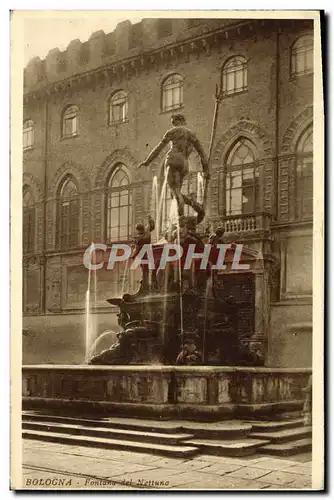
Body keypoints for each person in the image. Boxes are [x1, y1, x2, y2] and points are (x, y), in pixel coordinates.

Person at [139, 114, 210, 216]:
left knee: (175, 193)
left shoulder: (172, 131)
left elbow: (159, 148)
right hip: (185, 164)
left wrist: (147, 161)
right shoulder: (191, 134)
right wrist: (206, 169)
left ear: (178, 121)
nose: (172, 124)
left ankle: (181, 221)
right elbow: (202, 153)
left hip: (173, 160)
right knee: (175, 194)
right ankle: (191, 202)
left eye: (173, 122)